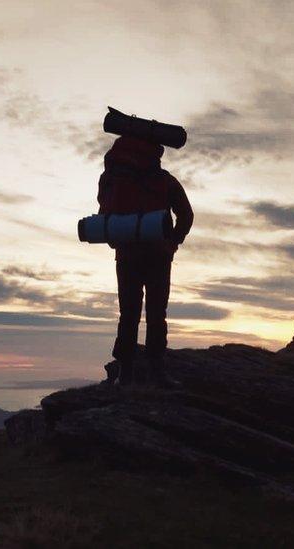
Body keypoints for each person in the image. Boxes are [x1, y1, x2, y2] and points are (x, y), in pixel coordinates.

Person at [97, 135, 193, 387]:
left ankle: (125, 373)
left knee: (127, 314)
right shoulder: (165, 181)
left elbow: (104, 211)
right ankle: (156, 370)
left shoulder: (113, 179)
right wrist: (174, 241)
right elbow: (186, 213)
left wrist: (117, 237)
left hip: (127, 254)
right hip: (159, 255)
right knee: (156, 314)